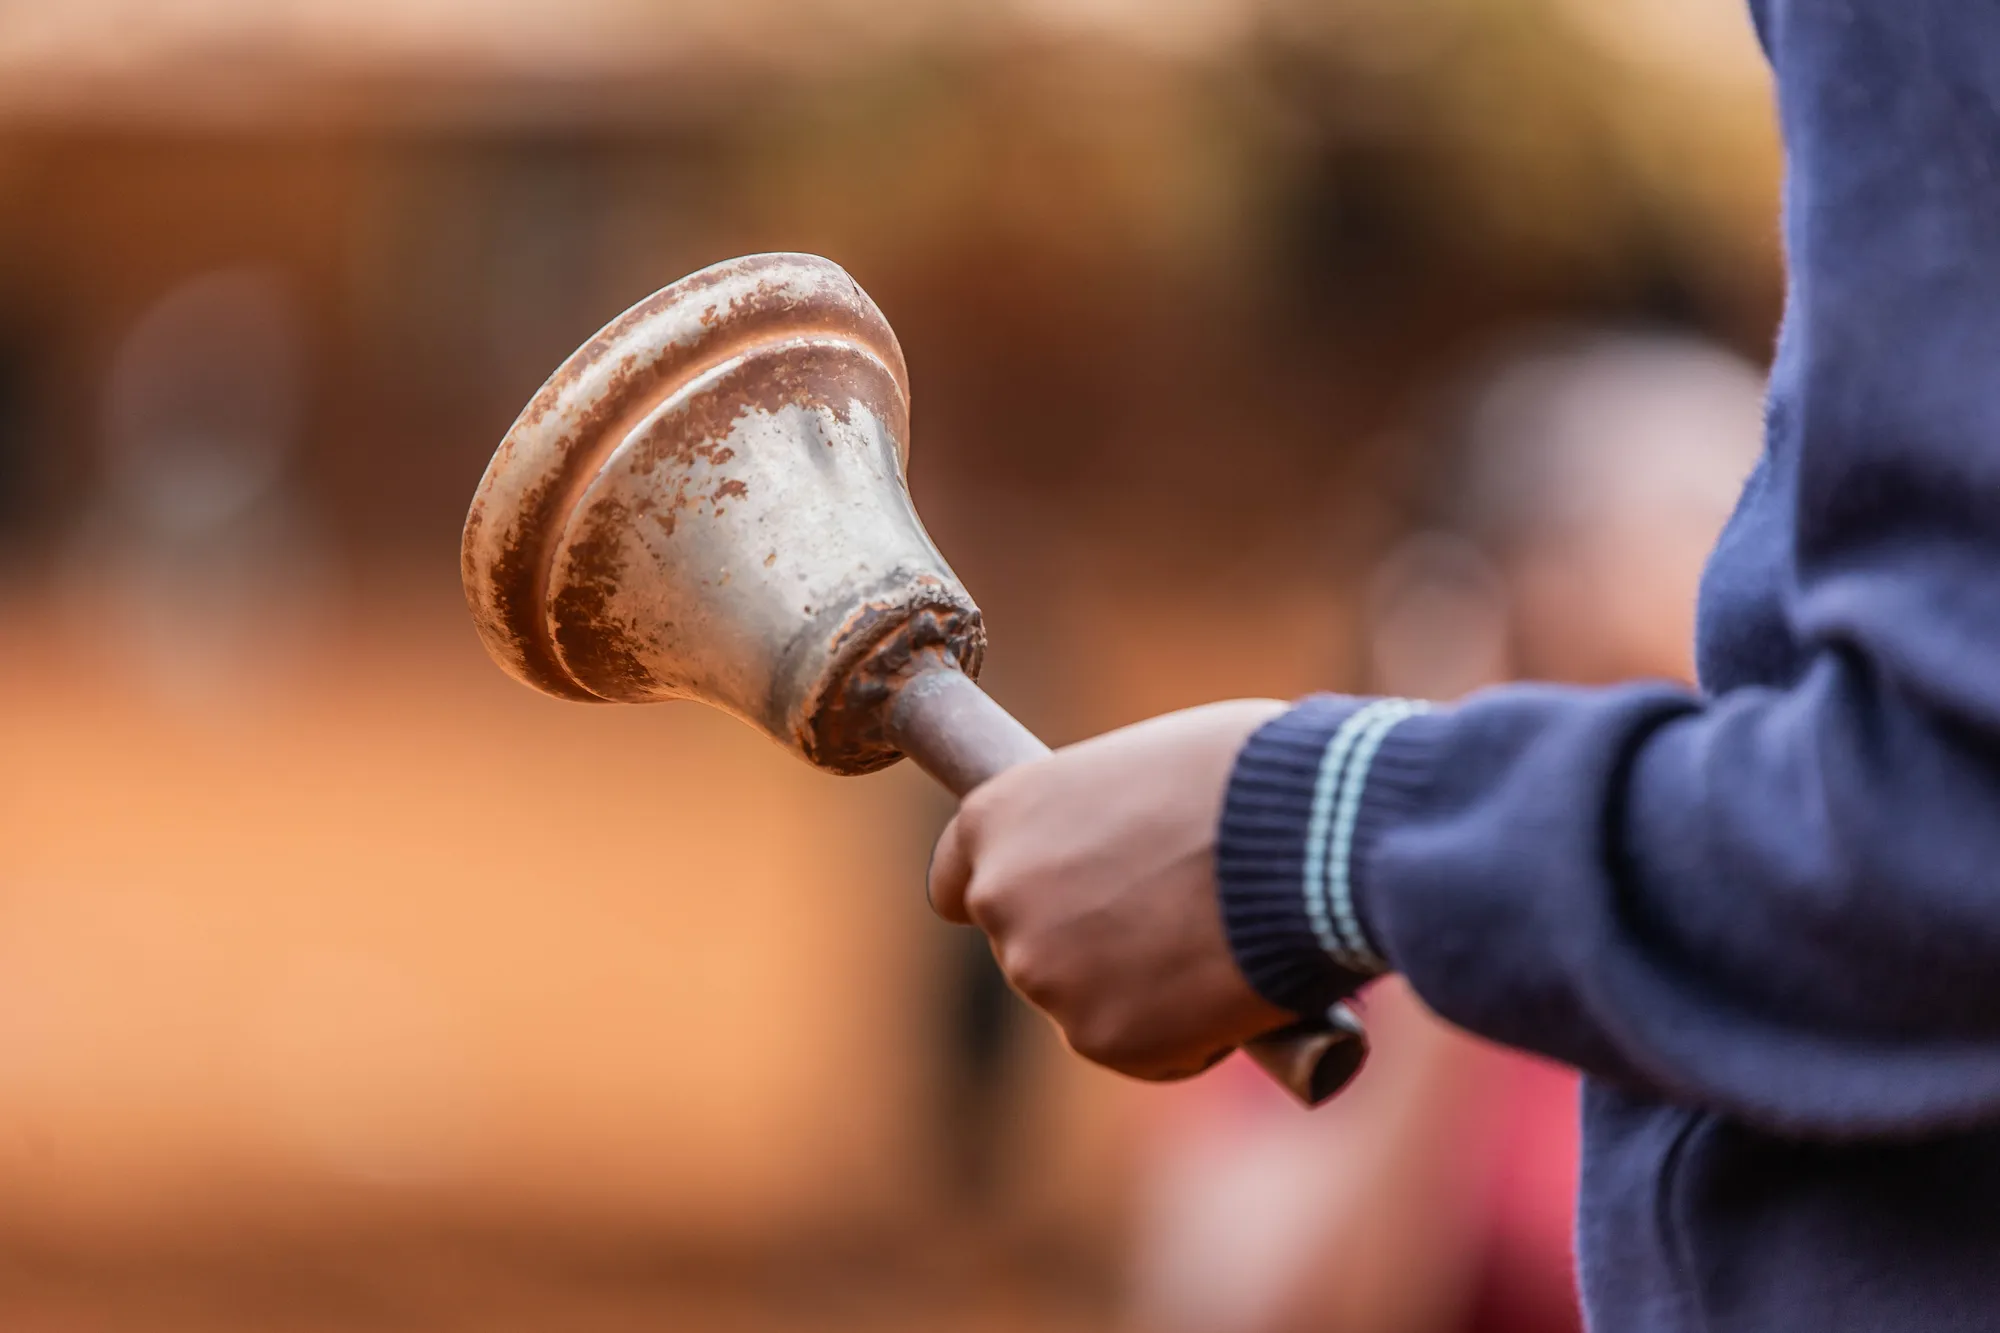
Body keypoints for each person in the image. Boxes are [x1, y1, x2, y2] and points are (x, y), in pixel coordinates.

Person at [926, 4, 2000, 1328]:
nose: (1716, 575)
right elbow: (1263, 1305)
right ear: (1508, 578)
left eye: (1723, 498)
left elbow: (1956, 817)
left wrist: (1345, 831)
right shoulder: (1465, 920)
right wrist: (1411, 894)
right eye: (1639, 520)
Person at [1121, 332, 1765, 1333]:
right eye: (1698, 513)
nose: (1771, 573)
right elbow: (1237, 1308)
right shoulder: (1333, 941)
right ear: (1529, 589)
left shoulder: (1810, 913)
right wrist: (1444, 867)